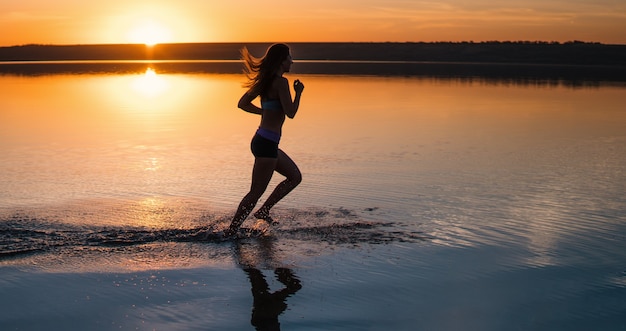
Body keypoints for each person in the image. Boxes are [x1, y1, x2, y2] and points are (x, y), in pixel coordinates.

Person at [225, 43, 305, 236]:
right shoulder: (281, 83)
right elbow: (291, 112)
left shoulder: (265, 81)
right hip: (267, 144)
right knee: (255, 192)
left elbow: (243, 104)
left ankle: (264, 210)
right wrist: (299, 93)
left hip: (263, 140)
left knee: (295, 177)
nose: (292, 62)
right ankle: (232, 231)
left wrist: (265, 111)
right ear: (282, 60)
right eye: (290, 58)